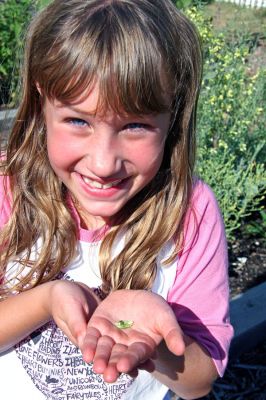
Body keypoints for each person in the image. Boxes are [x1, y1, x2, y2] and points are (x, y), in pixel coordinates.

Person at [0, 0, 234, 399]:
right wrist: (47, 300)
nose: (104, 163)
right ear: (42, 103)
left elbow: (199, 381)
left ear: (172, 117)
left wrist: (158, 344)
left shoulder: (190, 212)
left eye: (136, 126)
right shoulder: (9, 185)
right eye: (78, 121)